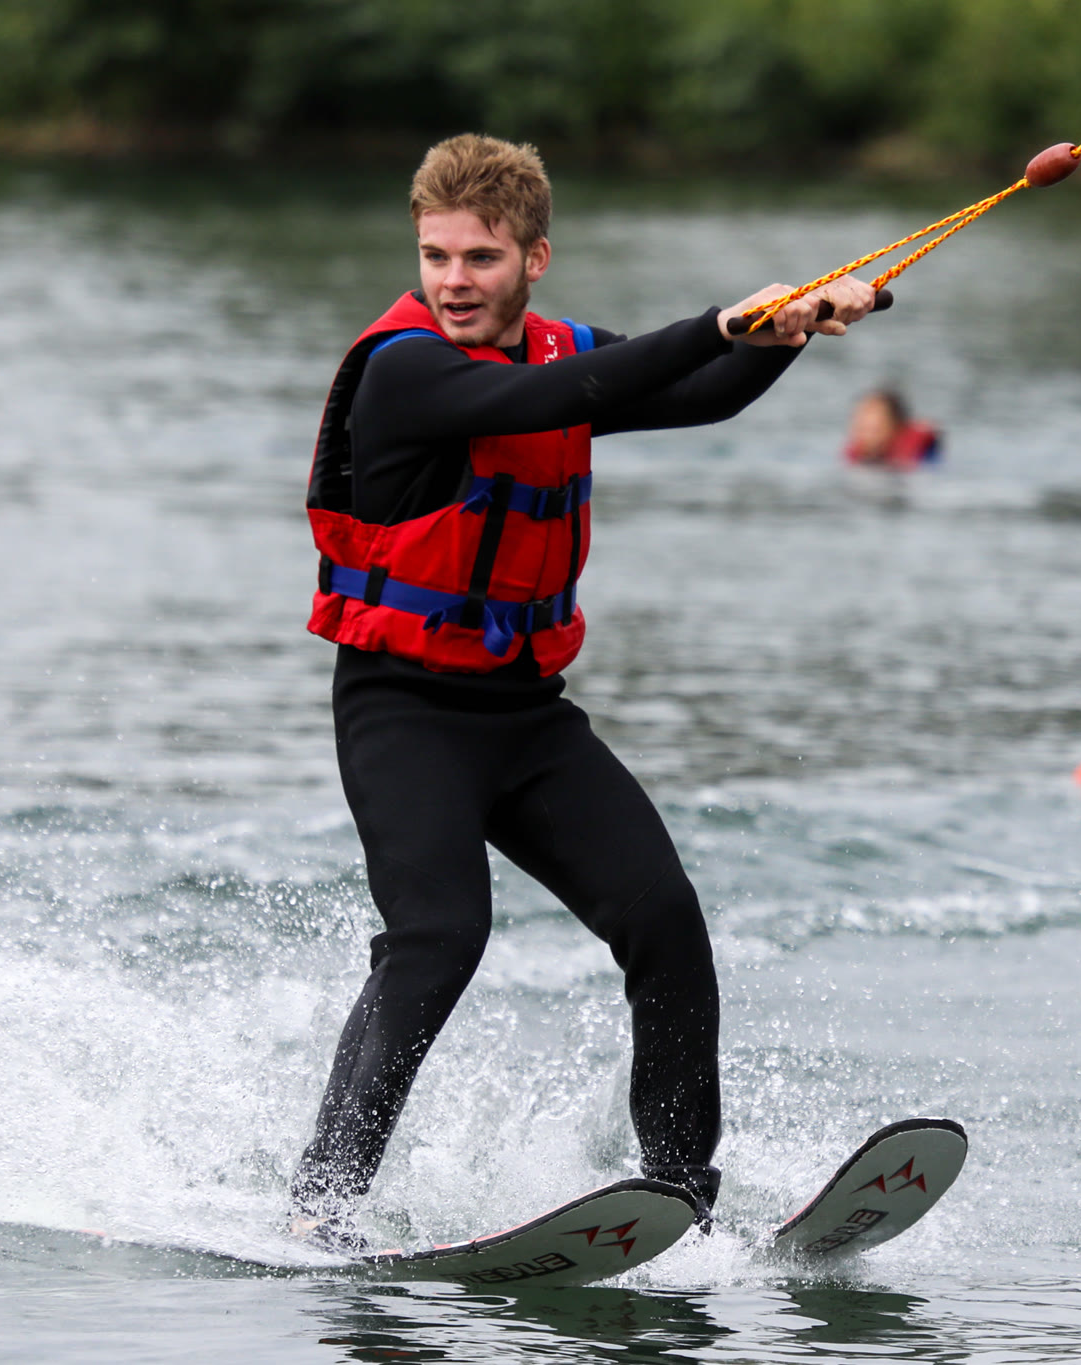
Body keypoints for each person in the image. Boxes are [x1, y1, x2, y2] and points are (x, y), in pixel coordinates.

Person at [291, 133, 875, 1249]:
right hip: (403, 712)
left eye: (480, 257)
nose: (453, 281)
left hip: (525, 717)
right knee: (439, 937)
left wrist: (788, 329)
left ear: (534, 258)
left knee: (665, 926)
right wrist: (725, 319)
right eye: (435, 256)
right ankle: (321, 1207)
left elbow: (698, 395)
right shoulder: (405, 369)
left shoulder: (555, 345)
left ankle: (680, 1198)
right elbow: (575, 389)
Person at [844, 387, 940, 467]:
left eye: (875, 430)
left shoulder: (924, 458)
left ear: (896, 426)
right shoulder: (857, 458)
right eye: (861, 429)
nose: (866, 438)